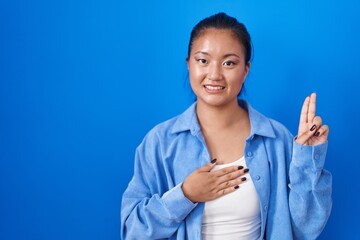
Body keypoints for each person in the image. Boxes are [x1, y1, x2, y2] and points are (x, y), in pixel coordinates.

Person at [121, 12, 332, 240]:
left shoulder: (276, 138)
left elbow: (307, 227)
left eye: (229, 63)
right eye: (203, 60)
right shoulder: (160, 142)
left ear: (246, 69)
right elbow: (132, 232)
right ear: (188, 64)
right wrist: (186, 195)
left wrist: (307, 159)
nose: (214, 74)